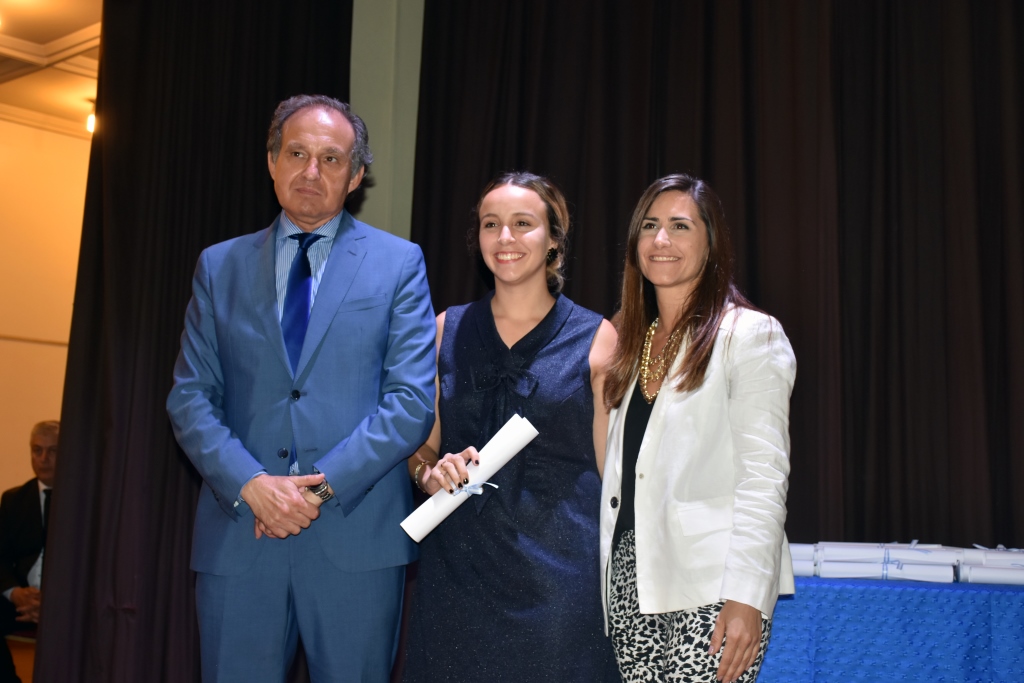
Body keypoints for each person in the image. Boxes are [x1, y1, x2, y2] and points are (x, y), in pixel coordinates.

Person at [166, 95, 436, 682]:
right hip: (240, 534)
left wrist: (315, 490)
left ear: (356, 176)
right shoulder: (218, 266)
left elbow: (411, 403)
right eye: (296, 154)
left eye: (331, 158)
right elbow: (189, 397)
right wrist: (252, 485)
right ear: (271, 161)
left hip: (355, 539)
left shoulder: (399, 264)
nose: (311, 171)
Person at [402, 172, 621, 682]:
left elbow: (613, 475)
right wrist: (429, 473)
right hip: (456, 575)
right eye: (491, 224)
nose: (505, 237)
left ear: (554, 241)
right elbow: (420, 449)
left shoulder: (597, 338)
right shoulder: (445, 329)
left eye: (523, 224)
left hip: (561, 582)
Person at [600, 174, 796, 683]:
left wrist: (748, 596)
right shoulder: (625, 343)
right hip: (630, 576)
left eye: (680, 226)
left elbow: (764, 476)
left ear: (711, 244)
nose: (661, 239)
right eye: (649, 226)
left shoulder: (749, 335)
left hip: (715, 582)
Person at [0, 420, 59, 683]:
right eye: (37, 450)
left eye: (53, 450)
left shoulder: (86, 500)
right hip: (22, 601)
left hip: (66, 602)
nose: (43, 458)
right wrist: (15, 593)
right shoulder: (13, 500)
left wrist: (52, 601)